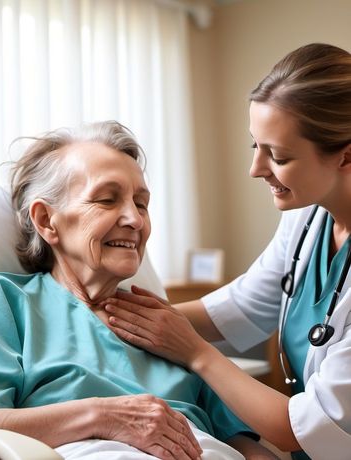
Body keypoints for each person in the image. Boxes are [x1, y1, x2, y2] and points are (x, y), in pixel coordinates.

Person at [0, 121, 277, 460]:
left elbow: (242, 444)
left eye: (141, 203)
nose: (135, 219)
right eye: (106, 199)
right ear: (46, 220)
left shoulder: (166, 326)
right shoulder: (6, 303)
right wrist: (102, 416)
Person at [102, 43, 351, 460]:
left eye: (279, 155)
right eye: (255, 145)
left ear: (346, 155)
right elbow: (243, 305)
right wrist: (107, 314)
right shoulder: (306, 218)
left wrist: (195, 352)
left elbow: (299, 428)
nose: (256, 168)